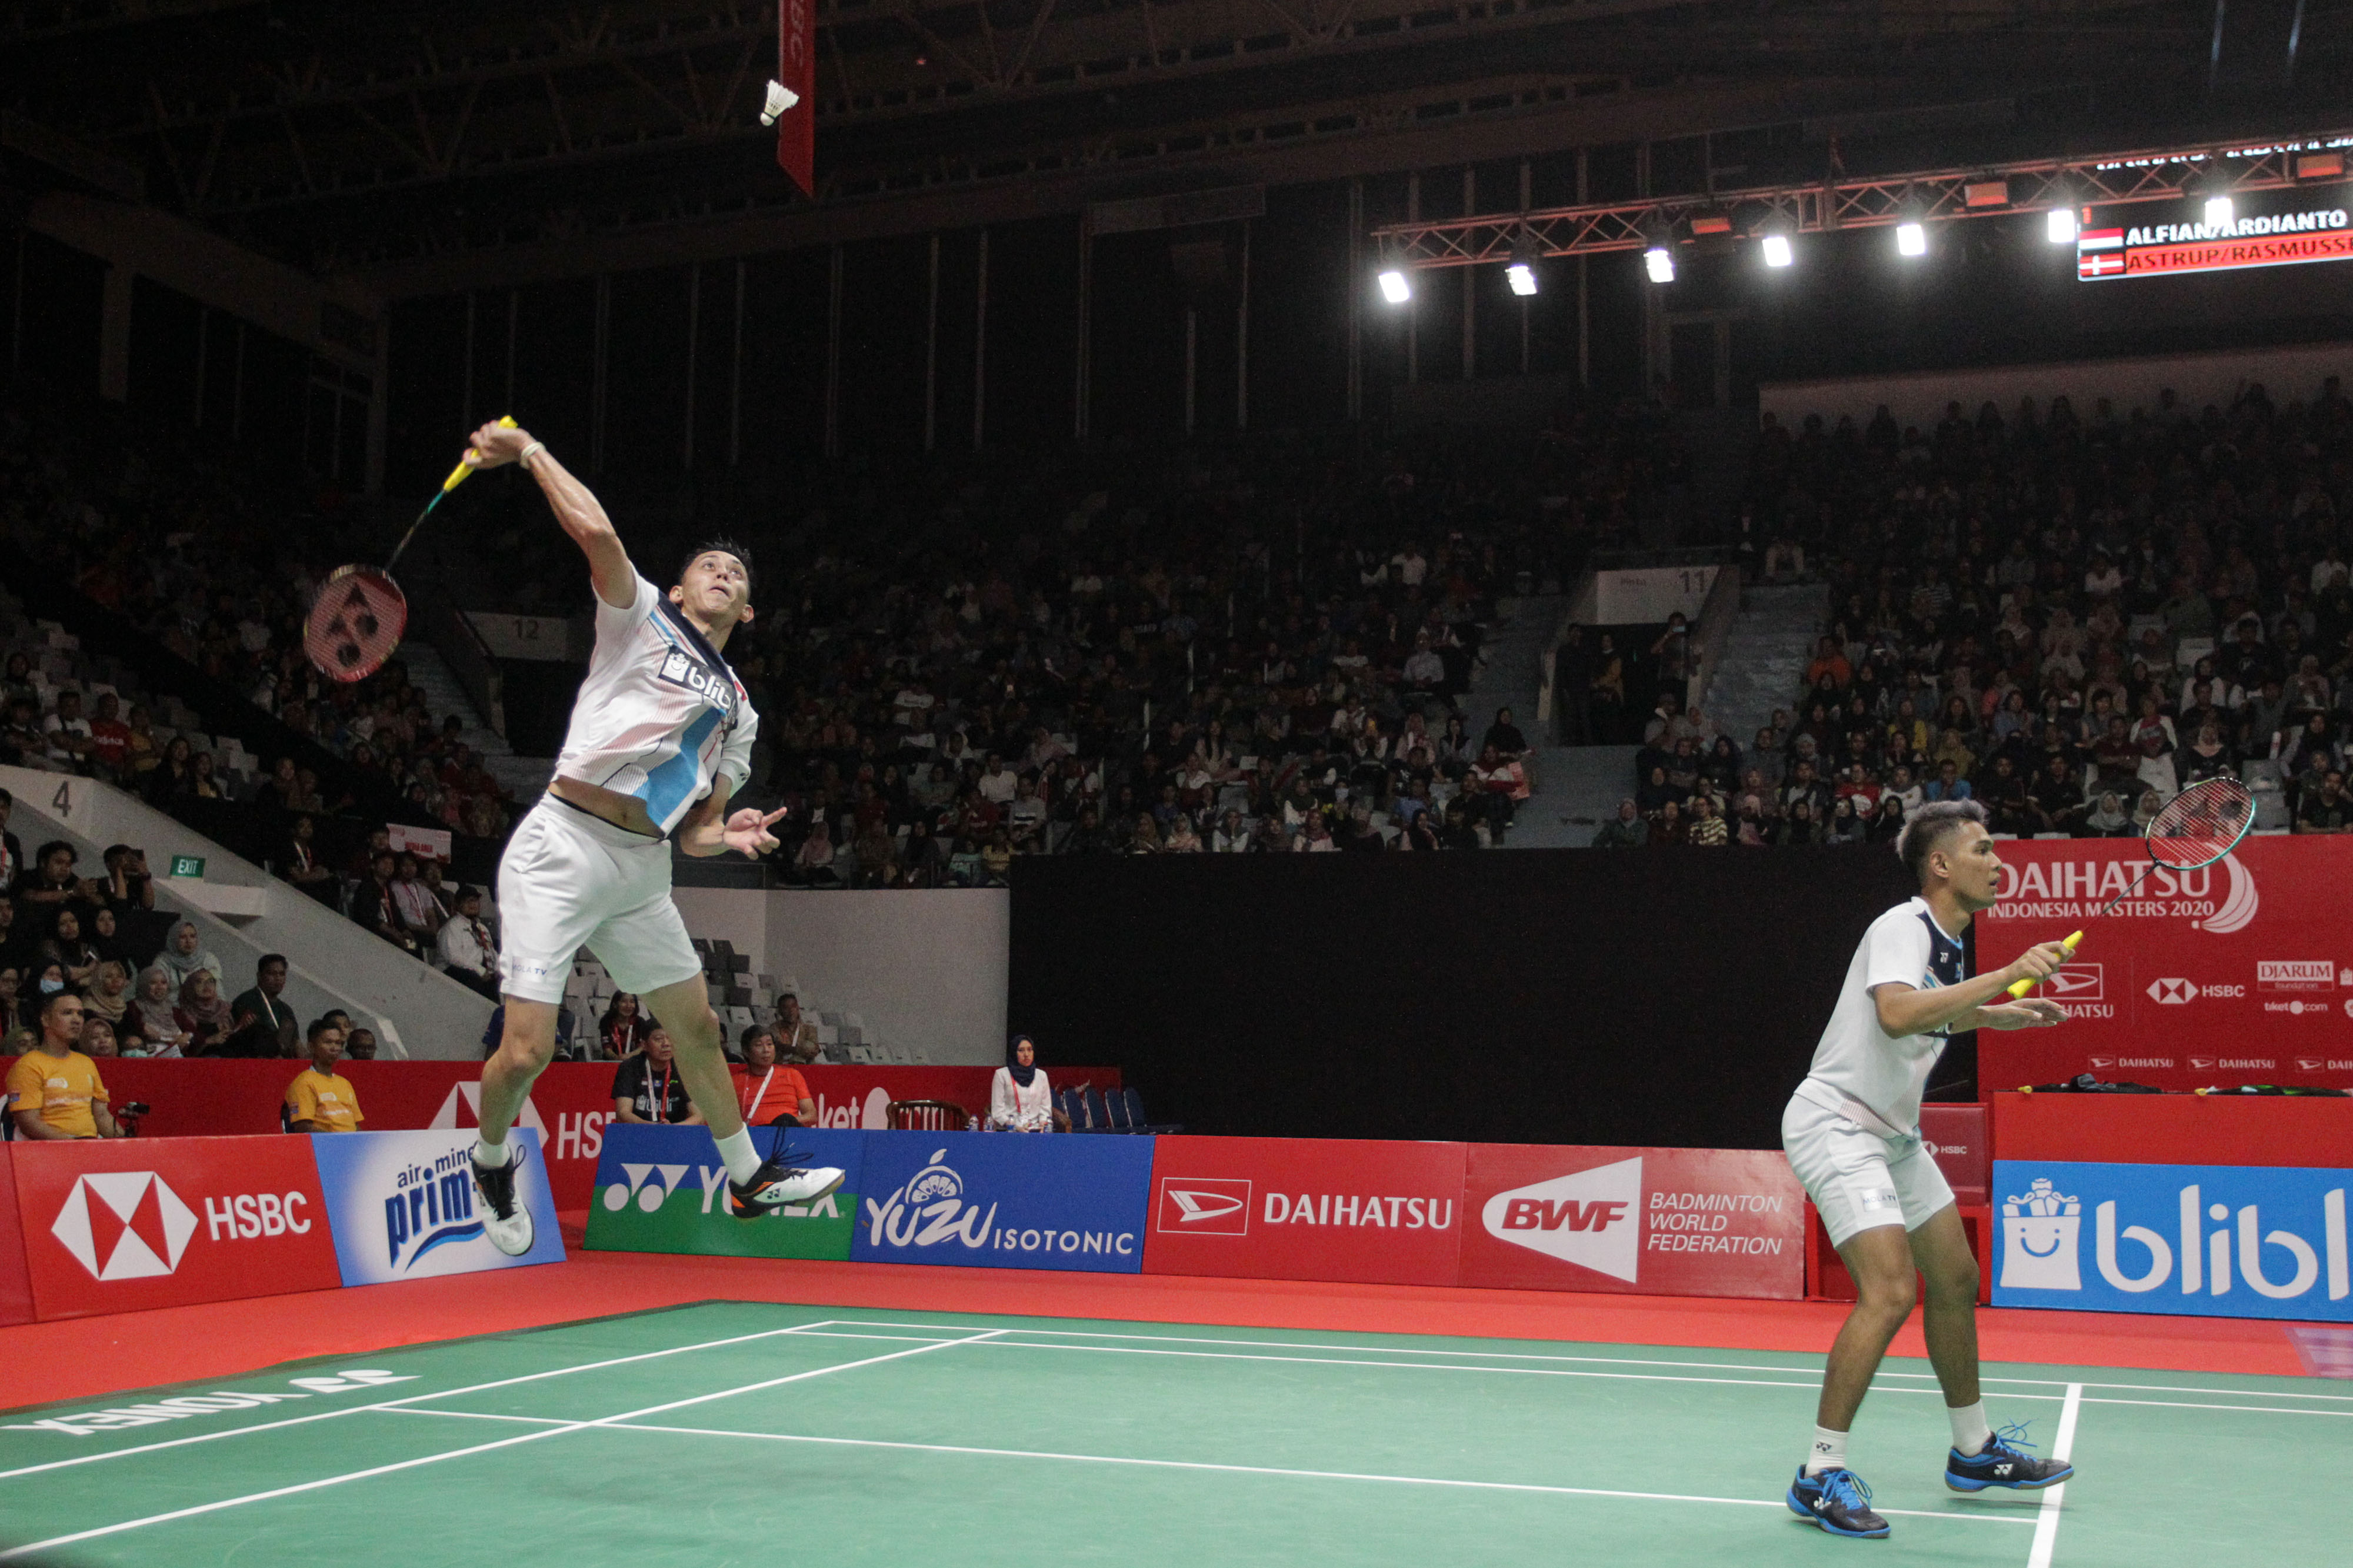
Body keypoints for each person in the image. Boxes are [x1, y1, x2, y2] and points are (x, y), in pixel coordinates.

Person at [458, 418, 839, 1255]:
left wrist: (726, 834)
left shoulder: (739, 709)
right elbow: (595, 531)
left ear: (749, 606)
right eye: (710, 565)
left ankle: (748, 1176)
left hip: (641, 868)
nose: (724, 574)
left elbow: (698, 832)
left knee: (699, 1027)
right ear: (681, 583)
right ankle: (488, 1161)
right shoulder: (639, 619)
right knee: (526, 1055)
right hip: (562, 845)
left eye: (737, 574)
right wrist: (529, 452)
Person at [1781, 800, 2076, 1539]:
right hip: (1837, 1120)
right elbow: (1895, 1015)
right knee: (1888, 1290)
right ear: (1941, 864)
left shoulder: (1946, 945)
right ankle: (1818, 1473)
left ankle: (1973, 1450)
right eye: (1982, 849)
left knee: (1954, 1277)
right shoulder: (1901, 925)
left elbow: (1928, 1014)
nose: (1998, 861)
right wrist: (2006, 975)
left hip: (1895, 1135)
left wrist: (1992, 1013)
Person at [5, 989, 122, 1139]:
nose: (76, 1020)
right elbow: (29, 1123)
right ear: (46, 1020)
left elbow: (101, 1114)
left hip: (90, 1147)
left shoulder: (86, 1063)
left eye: (80, 1014)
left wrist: (127, 1144)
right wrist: (72, 1146)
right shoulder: (28, 1065)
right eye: (67, 1013)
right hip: (48, 1153)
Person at [285, 1017, 364, 1133]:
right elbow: (303, 1128)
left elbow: (356, 1126)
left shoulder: (345, 1084)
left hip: (352, 1147)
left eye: (338, 1043)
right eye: (328, 1042)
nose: (334, 1048)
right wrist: (339, 1140)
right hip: (324, 1148)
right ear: (311, 1047)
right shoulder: (304, 1083)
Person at [611, 1024, 701, 1125]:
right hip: (639, 1132)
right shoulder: (630, 1067)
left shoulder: (685, 1068)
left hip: (676, 1134)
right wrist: (655, 1128)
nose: (666, 1044)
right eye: (658, 1039)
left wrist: (673, 1129)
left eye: (670, 1038)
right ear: (644, 1045)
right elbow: (623, 1114)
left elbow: (699, 1116)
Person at [732, 1029, 815, 1127]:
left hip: (788, 1132)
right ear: (746, 1052)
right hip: (754, 1136)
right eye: (759, 1045)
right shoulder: (735, 1081)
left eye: (769, 1044)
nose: (766, 1050)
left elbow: (811, 1116)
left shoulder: (792, 1075)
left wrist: (788, 1122)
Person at [228, 953, 301, 1058]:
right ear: (259, 976)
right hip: (253, 1063)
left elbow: (296, 1045)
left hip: (282, 1064)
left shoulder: (286, 1010)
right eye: (272, 974)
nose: (278, 978)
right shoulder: (246, 1001)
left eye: (282, 974)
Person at [437, 885, 502, 998]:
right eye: (468, 901)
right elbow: (453, 957)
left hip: (479, 972)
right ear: (458, 905)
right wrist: (479, 970)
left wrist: (497, 970)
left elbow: (491, 953)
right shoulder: (453, 927)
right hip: (455, 974)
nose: (473, 904)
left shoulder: (482, 928)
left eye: (475, 901)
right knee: (473, 980)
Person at [989, 1033, 1054, 1132]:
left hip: (1035, 1130)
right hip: (1010, 1131)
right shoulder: (1001, 1075)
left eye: (1030, 1050)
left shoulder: (1041, 1076)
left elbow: (1045, 1108)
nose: (1026, 1055)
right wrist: (1014, 1126)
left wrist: (1043, 1124)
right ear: (1014, 1053)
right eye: (1021, 1050)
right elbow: (997, 1111)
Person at [129, 965, 192, 1057]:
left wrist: (187, 1036)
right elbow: (128, 1038)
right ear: (144, 984)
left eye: (164, 983)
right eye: (153, 983)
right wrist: (142, 1028)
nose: (159, 987)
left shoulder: (175, 1011)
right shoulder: (133, 1008)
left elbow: (192, 1031)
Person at [174, 970, 234, 1055]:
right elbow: (185, 1051)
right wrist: (208, 1041)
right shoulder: (183, 1015)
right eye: (199, 982)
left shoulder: (224, 1009)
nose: (207, 985)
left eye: (211, 981)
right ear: (190, 987)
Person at [155, 919, 224, 993]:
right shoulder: (163, 961)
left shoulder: (209, 959)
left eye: (192, 936)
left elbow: (218, 992)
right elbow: (159, 992)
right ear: (174, 939)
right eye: (183, 937)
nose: (189, 941)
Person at [597, 992, 651, 1060]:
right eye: (624, 1002)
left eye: (632, 1002)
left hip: (635, 1062)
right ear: (615, 1004)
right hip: (612, 1062)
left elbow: (642, 1047)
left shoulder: (639, 1022)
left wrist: (628, 1057)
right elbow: (607, 1048)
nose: (629, 1006)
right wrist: (617, 1059)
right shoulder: (606, 1022)